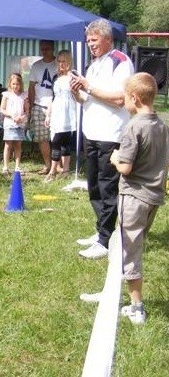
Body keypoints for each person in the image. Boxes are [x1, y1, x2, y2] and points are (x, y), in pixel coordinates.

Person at [104, 72, 169, 324]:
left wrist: (114, 159)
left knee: (130, 250)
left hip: (133, 197)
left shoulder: (133, 127)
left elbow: (125, 168)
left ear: (134, 98)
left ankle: (136, 306)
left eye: (125, 97)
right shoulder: (161, 125)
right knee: (131, 243)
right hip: (154, 198)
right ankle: (118, 292)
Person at [71, 18, 135, 259]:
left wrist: (88, 87)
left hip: (111, 134)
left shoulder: (121, 62)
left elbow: (120, 98)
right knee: (94, 185)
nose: (90, 45)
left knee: (108, 188)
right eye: (88, 41)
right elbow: (86, 99)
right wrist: (77, 92)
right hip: (92, 132)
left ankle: (107, 240)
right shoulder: (93, 64)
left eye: (94, 40)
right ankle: (101, 231)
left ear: (108, 38)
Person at [44, 50, 77, 182]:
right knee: (55, 140)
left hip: (69, 112)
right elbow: (53, 97)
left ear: (69, 62)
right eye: (59, 61)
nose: (61, 64)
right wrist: (48, 115)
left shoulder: (73, 76)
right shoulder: (55, 77)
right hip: (57, 110)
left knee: (65, 141)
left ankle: (65, 169)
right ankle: (53, 171)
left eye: (64, 61)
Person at [28, 40, 57, 174]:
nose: (44, 51)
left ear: (53, 49)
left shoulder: (59, 64)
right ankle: (47, 164)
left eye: (47, 49)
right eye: (42, 49)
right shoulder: (36, 66)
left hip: (57, 105)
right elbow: (31, 87)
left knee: (57, 137)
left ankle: (59, 166)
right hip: (39, 105)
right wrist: (30, 105)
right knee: (42, 138)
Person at [0, 72, 29, 174]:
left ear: (21, 84)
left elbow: (27, 111)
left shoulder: (24, 96)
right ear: (10, 84)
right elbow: (2, 109)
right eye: (13, 84)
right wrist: (12, 116)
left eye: (17, 84)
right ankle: (5, 167)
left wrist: (22, 117)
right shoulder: (6, 95)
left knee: (18, 146)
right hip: (9, 124)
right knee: (8, 145)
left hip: (20, 124)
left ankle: (17, 166)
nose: (15, 86)